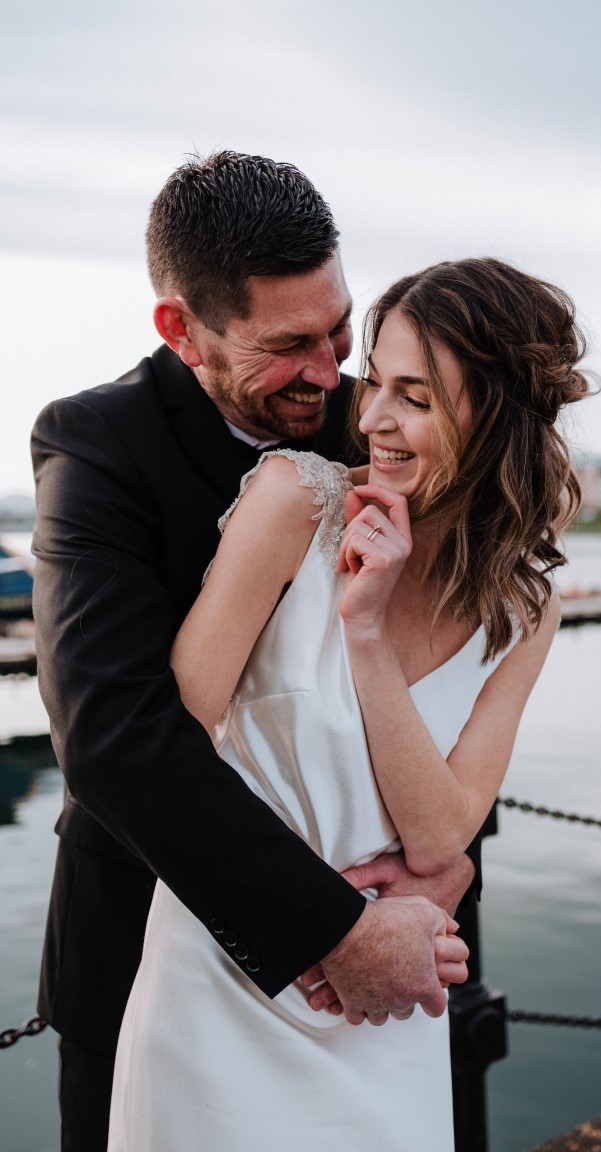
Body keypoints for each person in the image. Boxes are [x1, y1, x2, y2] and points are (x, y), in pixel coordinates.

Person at [31, 151, 474, 1152]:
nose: (332, 373)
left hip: (391, 936)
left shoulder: (385, 416)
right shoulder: (95, 446)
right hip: (153, 941)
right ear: (180, 328)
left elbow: (456, 641)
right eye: (289, 345)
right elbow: (111, 737)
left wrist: (442, 871)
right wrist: (332, 931)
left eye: (340, 328)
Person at [106, 256, 591, 1151]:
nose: (370, 418)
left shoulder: (525, 609)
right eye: (377, 382)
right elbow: (166, 749)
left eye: (414, 395)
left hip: (388, 1004)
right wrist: (322, 919)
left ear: (492, 412)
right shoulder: (296, 503)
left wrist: (365, 630)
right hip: (226, 981)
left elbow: (442, 834)